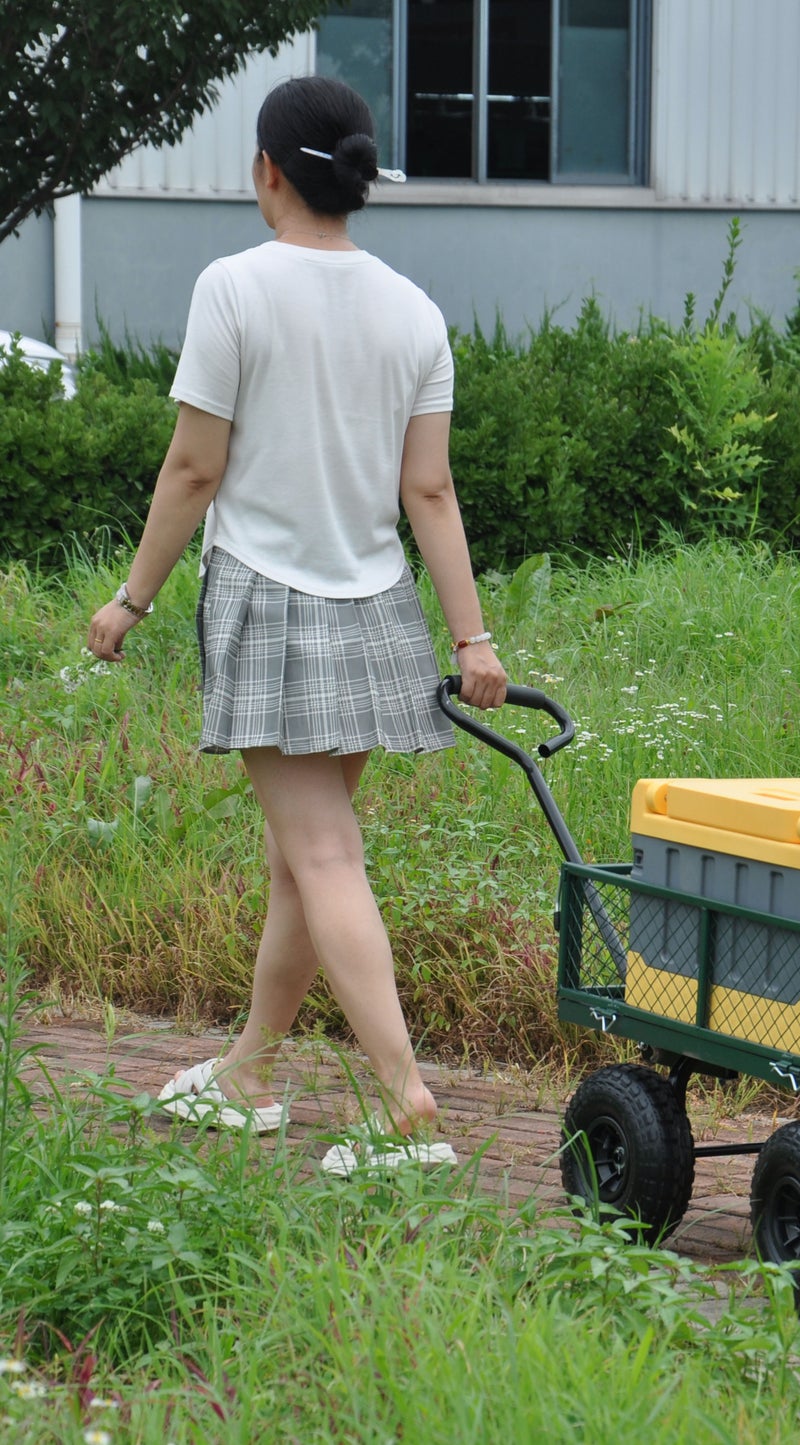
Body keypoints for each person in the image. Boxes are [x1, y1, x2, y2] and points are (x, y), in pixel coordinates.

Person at [86, 75, 506, 1173]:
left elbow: (193, 464)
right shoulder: (415, 310)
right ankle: (250, 1073)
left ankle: (404, 1101)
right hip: (375, 611)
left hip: (270, 601)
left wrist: (130, 600)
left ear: (266, 170)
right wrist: (472, 640)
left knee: (319, 852)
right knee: (298, 861)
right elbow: (430, 494)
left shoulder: (233, 288)